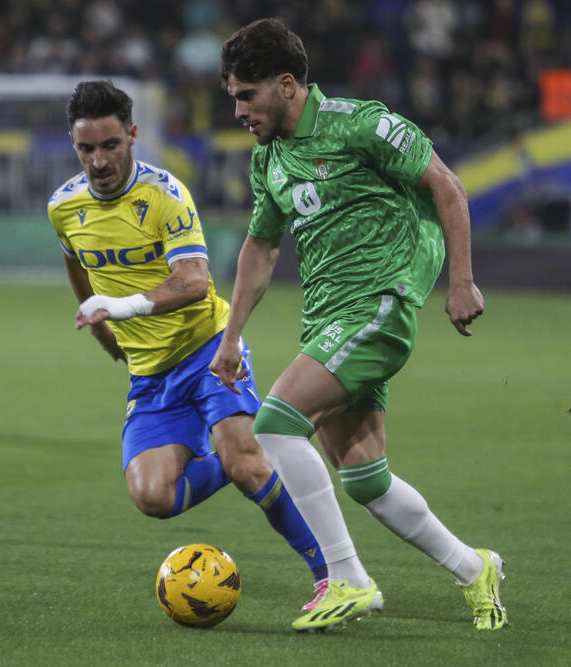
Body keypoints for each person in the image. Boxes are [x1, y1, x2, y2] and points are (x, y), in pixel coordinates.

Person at [210, 18, 507, 633]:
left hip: (377, 305)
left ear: (287, 85)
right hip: (327, 320)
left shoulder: (359, 122)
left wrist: (461, 280)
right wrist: (232, 336)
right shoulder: (268, 161)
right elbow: (260, 250)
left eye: (246, 95)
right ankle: (473, 567)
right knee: (365, 477)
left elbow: (447, 187)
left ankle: (346, 577)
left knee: (275, 424)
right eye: (232, 97)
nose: (238, 110)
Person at [46, 80, 329, 610]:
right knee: (152, 497)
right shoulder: (63, 207)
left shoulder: (165, 195)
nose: (99, 160)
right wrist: (106, 332)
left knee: (247, 465)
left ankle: (329, 573)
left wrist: (122, 307)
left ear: (131, 136)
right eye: (87, 148)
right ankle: (237, 449)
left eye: (110, 145)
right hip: (151, 375)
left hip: (209, 349)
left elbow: (194, 281)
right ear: (73, 144)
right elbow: (76, 265)